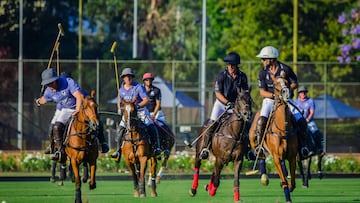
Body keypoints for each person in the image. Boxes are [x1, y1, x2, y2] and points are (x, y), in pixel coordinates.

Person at [36, 68, 109, 161]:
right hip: (64, 109)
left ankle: (103, 143)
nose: (50, 86)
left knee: (95, 121)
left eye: (51, 83)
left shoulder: (68, 82)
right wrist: (38, 101)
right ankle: (57, 149)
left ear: (56, 80)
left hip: (77, 107)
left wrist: (77, 110)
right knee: (55, 127)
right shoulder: (49, 90)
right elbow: (44, 99)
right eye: (47, 84)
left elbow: (79, 96)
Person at [254, 45, 312, 159]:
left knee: (300, 119)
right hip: (270, 100)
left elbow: (295, 83)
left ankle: (303, 146)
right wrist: (275, 96)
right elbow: (262, 92)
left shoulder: (285, 69)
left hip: (286, 100)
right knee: (261, 120)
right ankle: (259, 146)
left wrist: (287, 90)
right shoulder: (262, 72)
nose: (262, 61)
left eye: (264, 59)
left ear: (272, 59)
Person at [199, 52, 250, 160]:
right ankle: (206, 148)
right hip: (221, 104)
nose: (230, 67)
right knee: (212, 123)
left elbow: (245, 92)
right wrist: (227, 103)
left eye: (233, 64)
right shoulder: (221, 76)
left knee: (246, 124)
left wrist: (241, 104)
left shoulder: (242, 77)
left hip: (237, 106)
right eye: (229, 64)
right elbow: (218, 93)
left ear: (236, 65)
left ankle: (249, 150)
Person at [110, 68, 162, 162]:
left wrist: (137, 106)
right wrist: (120, 108)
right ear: (123, 78)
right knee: (120, 130)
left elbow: (146, 100)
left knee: (152, 127)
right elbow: (120, 102)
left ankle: (156, 148)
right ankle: (118, 151)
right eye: (126, 77)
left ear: (132, 77)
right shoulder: (121, 89)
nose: (128, 78)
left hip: (140, 112)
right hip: (127, 113)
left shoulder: (138, 87)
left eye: (130, 76)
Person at [142, 72, 171, 157]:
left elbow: (158, 104)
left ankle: (165, 147)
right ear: (144, 81)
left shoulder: (156, 90)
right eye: (147, 80)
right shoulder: (140, 90)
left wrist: (153, 114)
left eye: (150, 80)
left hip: (156, 112)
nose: (149, 81)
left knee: (162, 126)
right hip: (144, 113)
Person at [294, 86, 324, 155]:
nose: (303, 93)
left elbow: (312, 112)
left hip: (309, 121)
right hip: (299, 122)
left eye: (304, 92)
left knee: (315, 131)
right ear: (299, 93)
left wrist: (307, 120)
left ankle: (319, 148)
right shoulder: (296, 102)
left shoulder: (310, 101)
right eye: (301, 92)